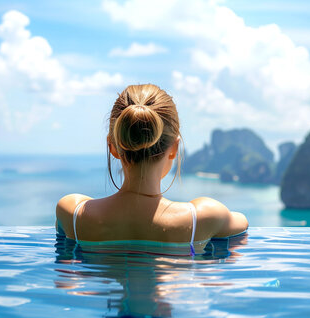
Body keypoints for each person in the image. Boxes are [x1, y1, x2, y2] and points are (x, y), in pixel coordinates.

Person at [56, 84, 248, 255]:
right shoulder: (203, 217)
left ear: (112, 146)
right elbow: (242, 223)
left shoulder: (72, 213)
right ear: (174, 148)